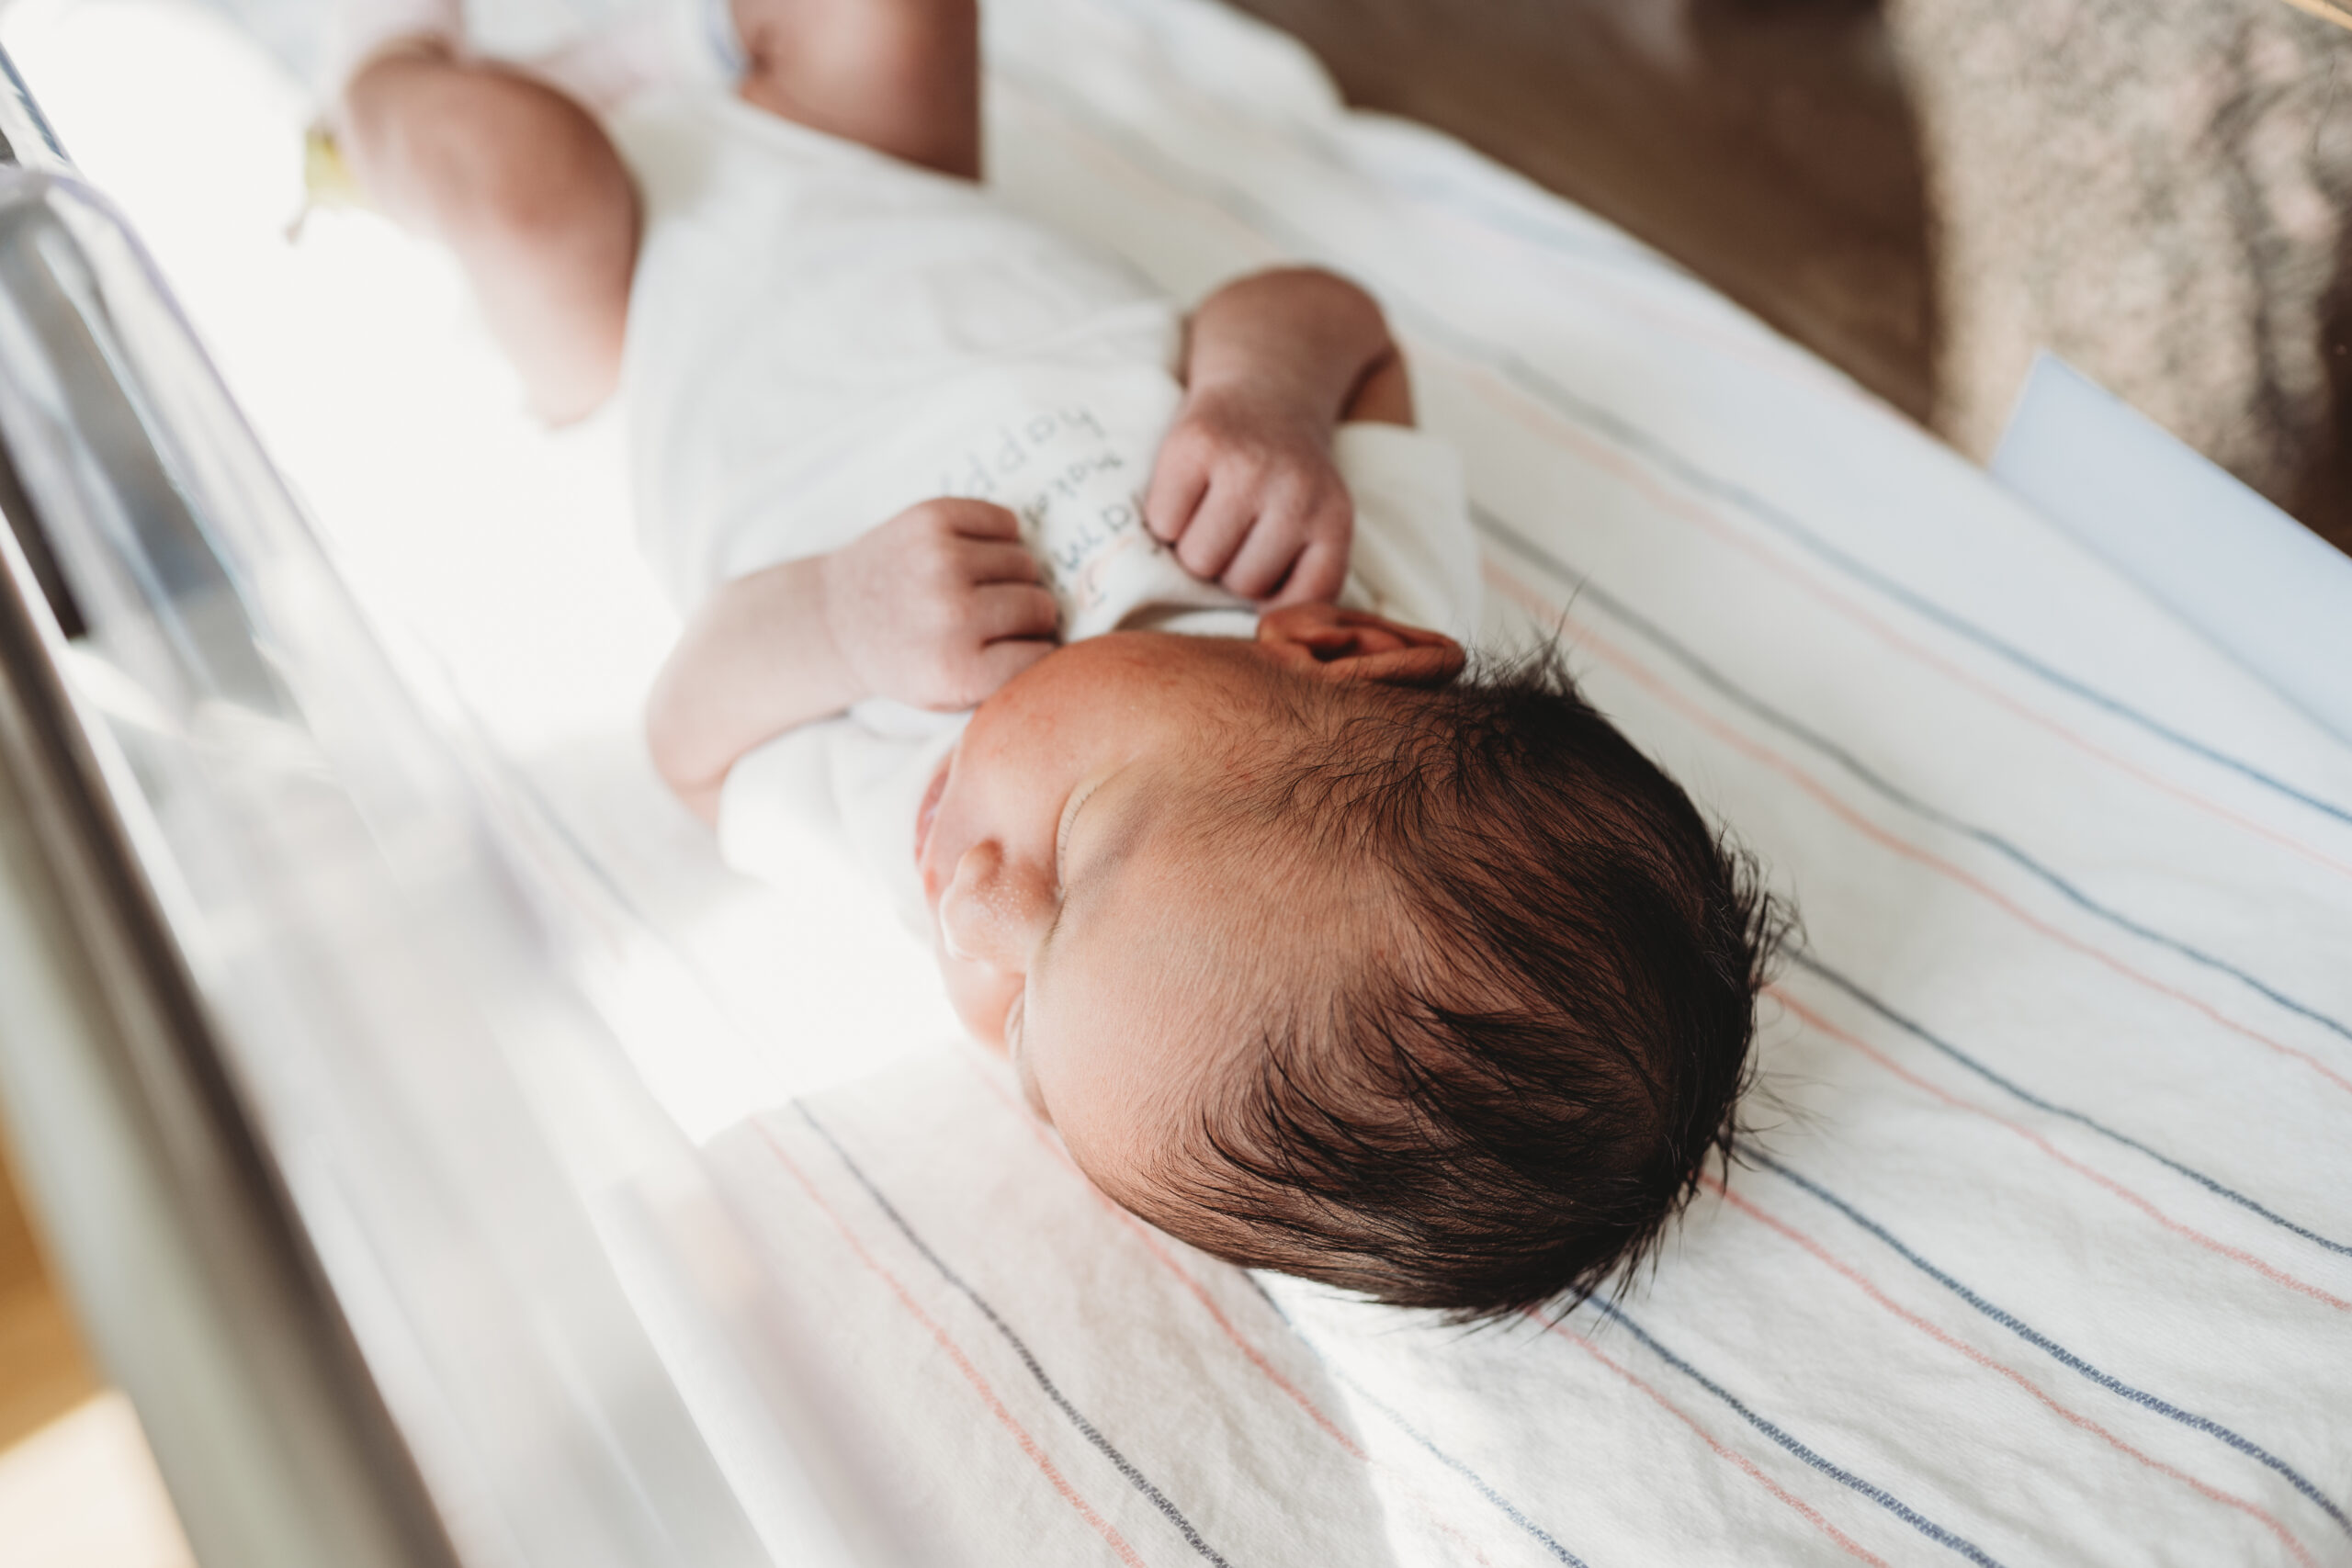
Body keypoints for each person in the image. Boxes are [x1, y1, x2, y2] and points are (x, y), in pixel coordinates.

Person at [331, 0, 1779, 1317]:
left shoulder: (909, 808)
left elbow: (691, 747)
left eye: (1020, 1038)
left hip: (639, 331)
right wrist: (1261, 394)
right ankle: (720, 66)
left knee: (525, 180)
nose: (968, 920)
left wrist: (833, 621)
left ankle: (377, 79)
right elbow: (1341, 328)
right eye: (1070, 868)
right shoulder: (1333, 560)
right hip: (890, 181)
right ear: (1349, 654)